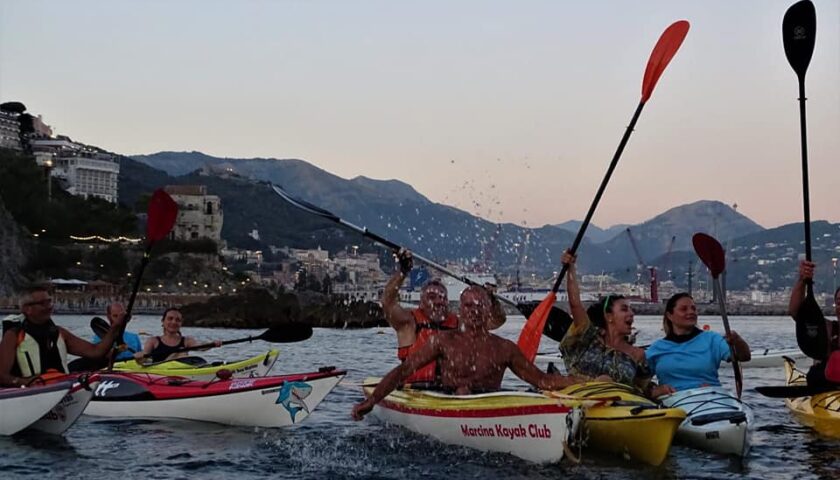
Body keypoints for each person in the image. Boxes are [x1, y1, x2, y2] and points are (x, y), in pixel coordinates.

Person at [352, 285, 585, 420]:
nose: (474, 311)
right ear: (460, 311)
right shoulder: (443, 341)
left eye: (480, 306)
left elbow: (541, 380)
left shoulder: (504, 348)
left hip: (489, 405)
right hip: (449, 401)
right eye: (468, 306)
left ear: (488, 312)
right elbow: (404, 371)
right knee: (462, 390)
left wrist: (582, 383)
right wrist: (372, 400)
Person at [381, 248, 506, 385]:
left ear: (447, 301)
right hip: (416, 390)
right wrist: (403, 271)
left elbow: (497, 320)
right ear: (421, 302)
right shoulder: (408, 323)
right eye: (432, 297)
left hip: (450, 389)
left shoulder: (459, 324)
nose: (438, 302)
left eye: (442, 298)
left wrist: (491, 298)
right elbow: (388, 302)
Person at [558, 251, 674, 398]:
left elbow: (641, 390)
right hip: (577, 399)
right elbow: (575, 304)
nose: (631, 314)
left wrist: (659, 391)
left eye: (631, 310)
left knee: (605, 381)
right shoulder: (587, 339)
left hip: (618, 409)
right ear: (609, 316)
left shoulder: (638, 355)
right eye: (624, 309)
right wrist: (570, 269)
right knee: (602, 380)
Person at [0, 285, 124, 387]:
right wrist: (25, 382)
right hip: (30, 393)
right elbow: (2, 376)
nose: (49, 307)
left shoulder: (60, 333)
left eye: (50, 301)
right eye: (43, 303)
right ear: (27, 309)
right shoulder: (13, 336)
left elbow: (96, 352)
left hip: (60, 389)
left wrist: (115, 327)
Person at [645, 293, 751, 391]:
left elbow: (744, 356)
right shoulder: (656, 348)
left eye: (693, 309)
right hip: (672, 403)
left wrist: (738, 341)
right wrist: (655, 391)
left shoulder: (711, 339)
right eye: (684, 309)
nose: (691, 312)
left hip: (710, 398)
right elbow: (640, 383)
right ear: (669, 315)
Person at [788, 260, 840, 386]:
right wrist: (802, 280)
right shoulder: (826, 329)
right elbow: (796, 313)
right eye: (839, 302)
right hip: (824, 388)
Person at [133, 308, 221, 363]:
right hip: (160, 375)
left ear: (181, 323)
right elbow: (144, 358)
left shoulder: (187, 340)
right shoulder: (153, 341)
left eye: (177, 320)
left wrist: (212, 344)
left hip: (180, 375)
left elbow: (199, 347)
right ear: (163, 321)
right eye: (170, 319)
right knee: (180, 351)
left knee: (181, 352)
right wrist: (138, 357)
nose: (174, 322)